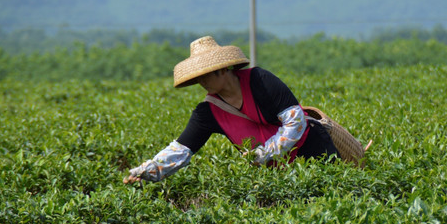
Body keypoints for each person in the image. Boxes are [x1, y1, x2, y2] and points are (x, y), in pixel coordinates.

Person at [123, 36, 339, 184]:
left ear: (224, 69)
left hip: (313, 150)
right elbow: (181, 150)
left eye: (206, 74)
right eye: (198, 77)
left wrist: (264, 153)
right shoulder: (207, 113)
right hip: (276, 174)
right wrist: (147, 171)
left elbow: (296, 121)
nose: (202, 81)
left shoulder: (261, 81)